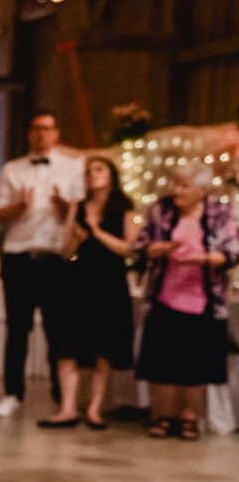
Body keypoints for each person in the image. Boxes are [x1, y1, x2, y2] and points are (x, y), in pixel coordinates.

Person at [0, 110, 85, 417]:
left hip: (56, 258)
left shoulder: (73, 167)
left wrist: (64, 207)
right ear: (29, 133)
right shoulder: (12, 169)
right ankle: (12, 393)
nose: (41, 134)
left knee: (57, 329)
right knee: (17, 328)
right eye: (36, 128)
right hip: (19, 255)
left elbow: (81, 213)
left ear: (56, 133)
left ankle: (62, 396)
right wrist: (20, 206)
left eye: (47, 128)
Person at [135, 165, 238, 440]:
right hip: (164, 296)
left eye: (185, 186)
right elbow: (142, 244)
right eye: (176, 184)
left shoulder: (220, 213)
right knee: (163, 362)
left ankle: (189, 418)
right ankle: (162, 416)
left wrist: (202, 258)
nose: (177, 191)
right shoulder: (161, 210)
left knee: (196, 364)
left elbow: (231, 252)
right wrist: (159, 249)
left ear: (202, 190)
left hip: (204, 300)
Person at [40, 155, 138, 431]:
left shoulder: (123, 207)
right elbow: (65, 252)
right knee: (68, 345)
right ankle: (67, 407)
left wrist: (96, 230)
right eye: (88, 171)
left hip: (108, 283)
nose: (92, 175)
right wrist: (78, 238)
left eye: (98, 170)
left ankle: (95, 408)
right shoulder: (78, 206)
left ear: (111, 175)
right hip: (77, 282)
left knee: (102, 349)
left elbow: (130, 249)